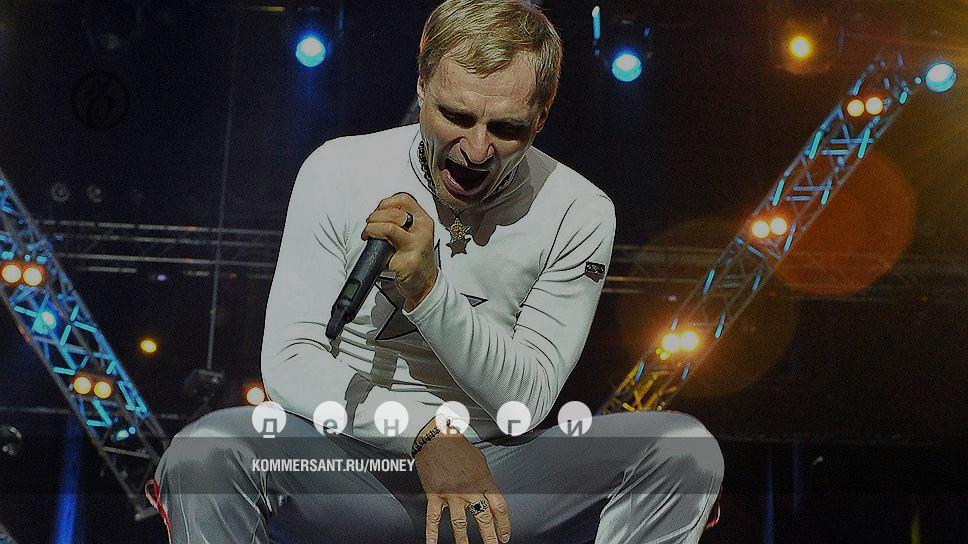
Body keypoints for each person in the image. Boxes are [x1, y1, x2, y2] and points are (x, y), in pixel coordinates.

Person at [146, 1, 724, 542]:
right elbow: (290, 361)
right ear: (422, 86)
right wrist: (423, 433)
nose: (476, 150)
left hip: (496, 477)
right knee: (204, 454)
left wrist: (427, 289)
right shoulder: (338, 169)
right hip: (343, 462)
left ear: (541, 118)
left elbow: (525, 400)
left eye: (507, 129)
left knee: (683, 451)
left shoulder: (579, 209)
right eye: (457, 116)